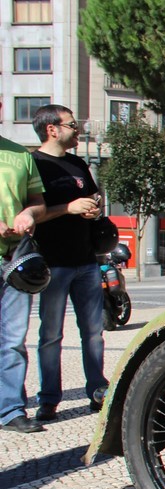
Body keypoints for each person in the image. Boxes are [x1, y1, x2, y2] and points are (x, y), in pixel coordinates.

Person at [30, 105, 107, 421]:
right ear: (52, 129)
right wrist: (68, 208)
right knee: (51, 335)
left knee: (94, 332)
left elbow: (94, 197)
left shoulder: (78, 164)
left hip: (86, 261)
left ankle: (98, 391)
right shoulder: (34, 164)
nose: (77, 130)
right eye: (72, 125)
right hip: (53, 264)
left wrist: (93, 208)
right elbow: (31, 214)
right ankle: (49, 399)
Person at [0, 100, 48, 432]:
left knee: (14, 339)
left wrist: (30, 214)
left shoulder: (20, 155)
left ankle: (11, 409)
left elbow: (38, 202)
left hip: (14, 259)